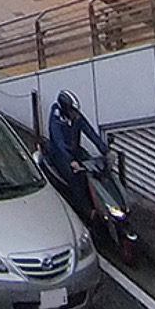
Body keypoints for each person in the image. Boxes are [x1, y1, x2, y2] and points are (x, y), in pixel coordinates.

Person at [45, 90, 106, 220]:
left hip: (75, 149)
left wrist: (105, 150)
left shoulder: (76, 116)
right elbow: (59, 142)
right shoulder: (56, 119)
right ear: (66, 109)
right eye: (72, 111)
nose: (75, 114)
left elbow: (90, 132)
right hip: (60, 153)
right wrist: (71, 160)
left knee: (93, 168)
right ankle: (87, 211)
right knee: (74, 178)